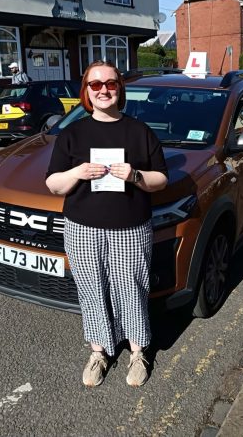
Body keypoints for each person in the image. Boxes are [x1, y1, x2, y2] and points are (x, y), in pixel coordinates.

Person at [45, 60, 168, 387]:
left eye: (110, 83)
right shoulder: (72, 134)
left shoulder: (140, 132)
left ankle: (137, 352)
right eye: (95, 85)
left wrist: (136, 175)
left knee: (132, 289)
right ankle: (98, 351)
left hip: (130, 228)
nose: (103, 90)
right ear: (86, 91)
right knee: (91, 290)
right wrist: (76, 173)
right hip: (82, 229)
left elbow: (161, 180)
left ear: (119, 88)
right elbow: (53, 184)